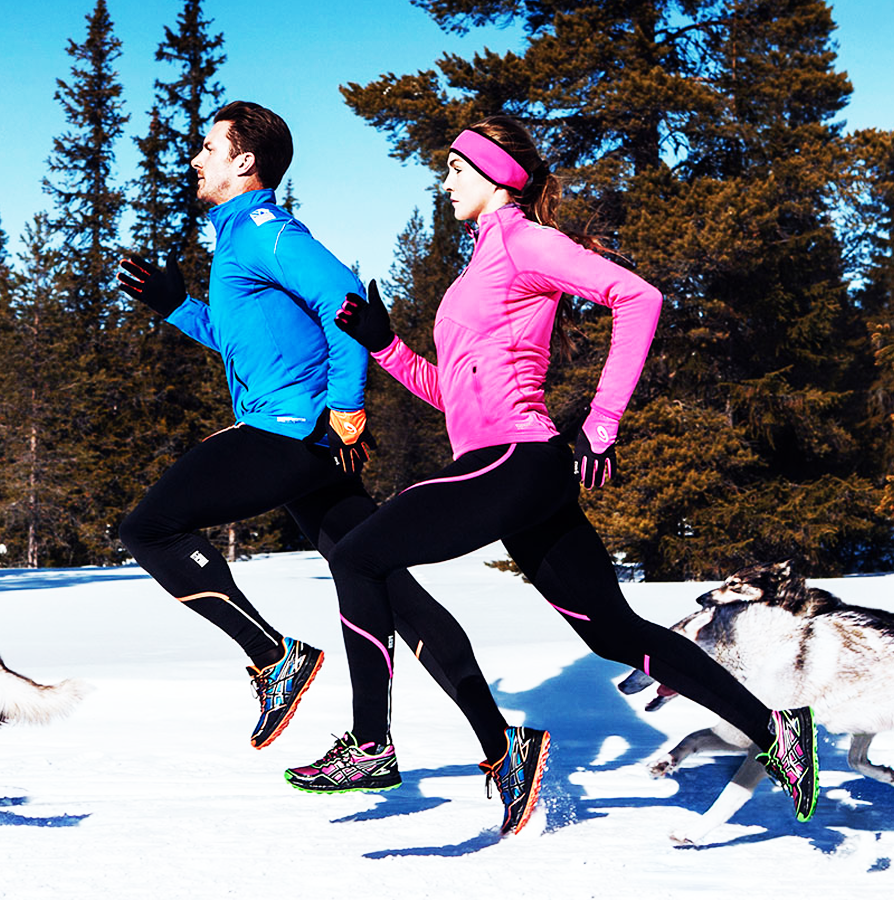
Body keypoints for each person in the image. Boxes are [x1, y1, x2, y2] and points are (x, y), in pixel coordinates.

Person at [284, 116, 820, 829]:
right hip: (502, 466)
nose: (444, 182)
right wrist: (384, 346)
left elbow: (639, 298)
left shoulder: (525, 242)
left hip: (516, 460)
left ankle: (371, 743)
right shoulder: (479, 267)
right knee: (613, 634)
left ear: (497, 175)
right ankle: (778, 733)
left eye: (455, 169)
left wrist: (601, 423)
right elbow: (455, 395)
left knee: (355, 555)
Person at [116, 102, 511, 766]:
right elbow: (244, 341)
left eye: (208, 148)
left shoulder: (266, 230)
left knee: (147, 528)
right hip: (299, 433)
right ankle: (505, 746)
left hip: (290, 433)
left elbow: (346, 301)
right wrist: (177, 307)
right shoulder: (237, 237)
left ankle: (274, 657)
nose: (195, 159)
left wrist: (346, 407)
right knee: (390, 588)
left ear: (244, 162)